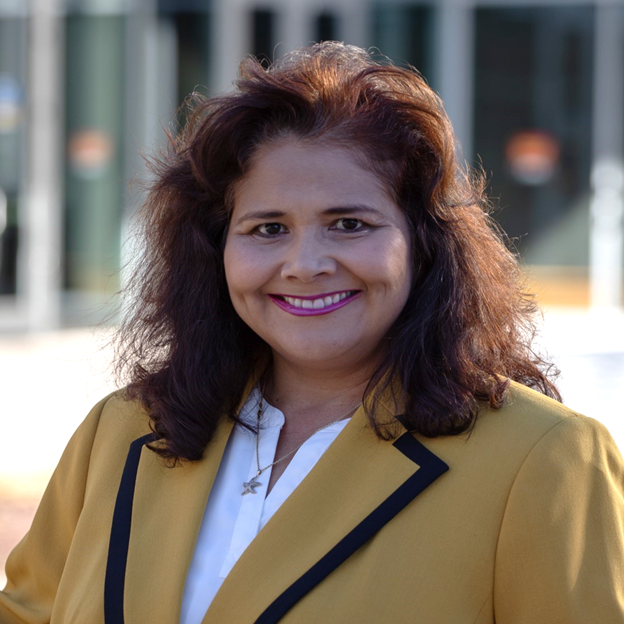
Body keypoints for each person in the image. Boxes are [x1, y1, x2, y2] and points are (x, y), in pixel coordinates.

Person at [2, 42, 623, 624]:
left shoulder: (546, 460)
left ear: (424, 244)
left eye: (349, 223)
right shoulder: (121, 434)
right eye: (267, 229)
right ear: (216, 251)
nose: (304, 263)